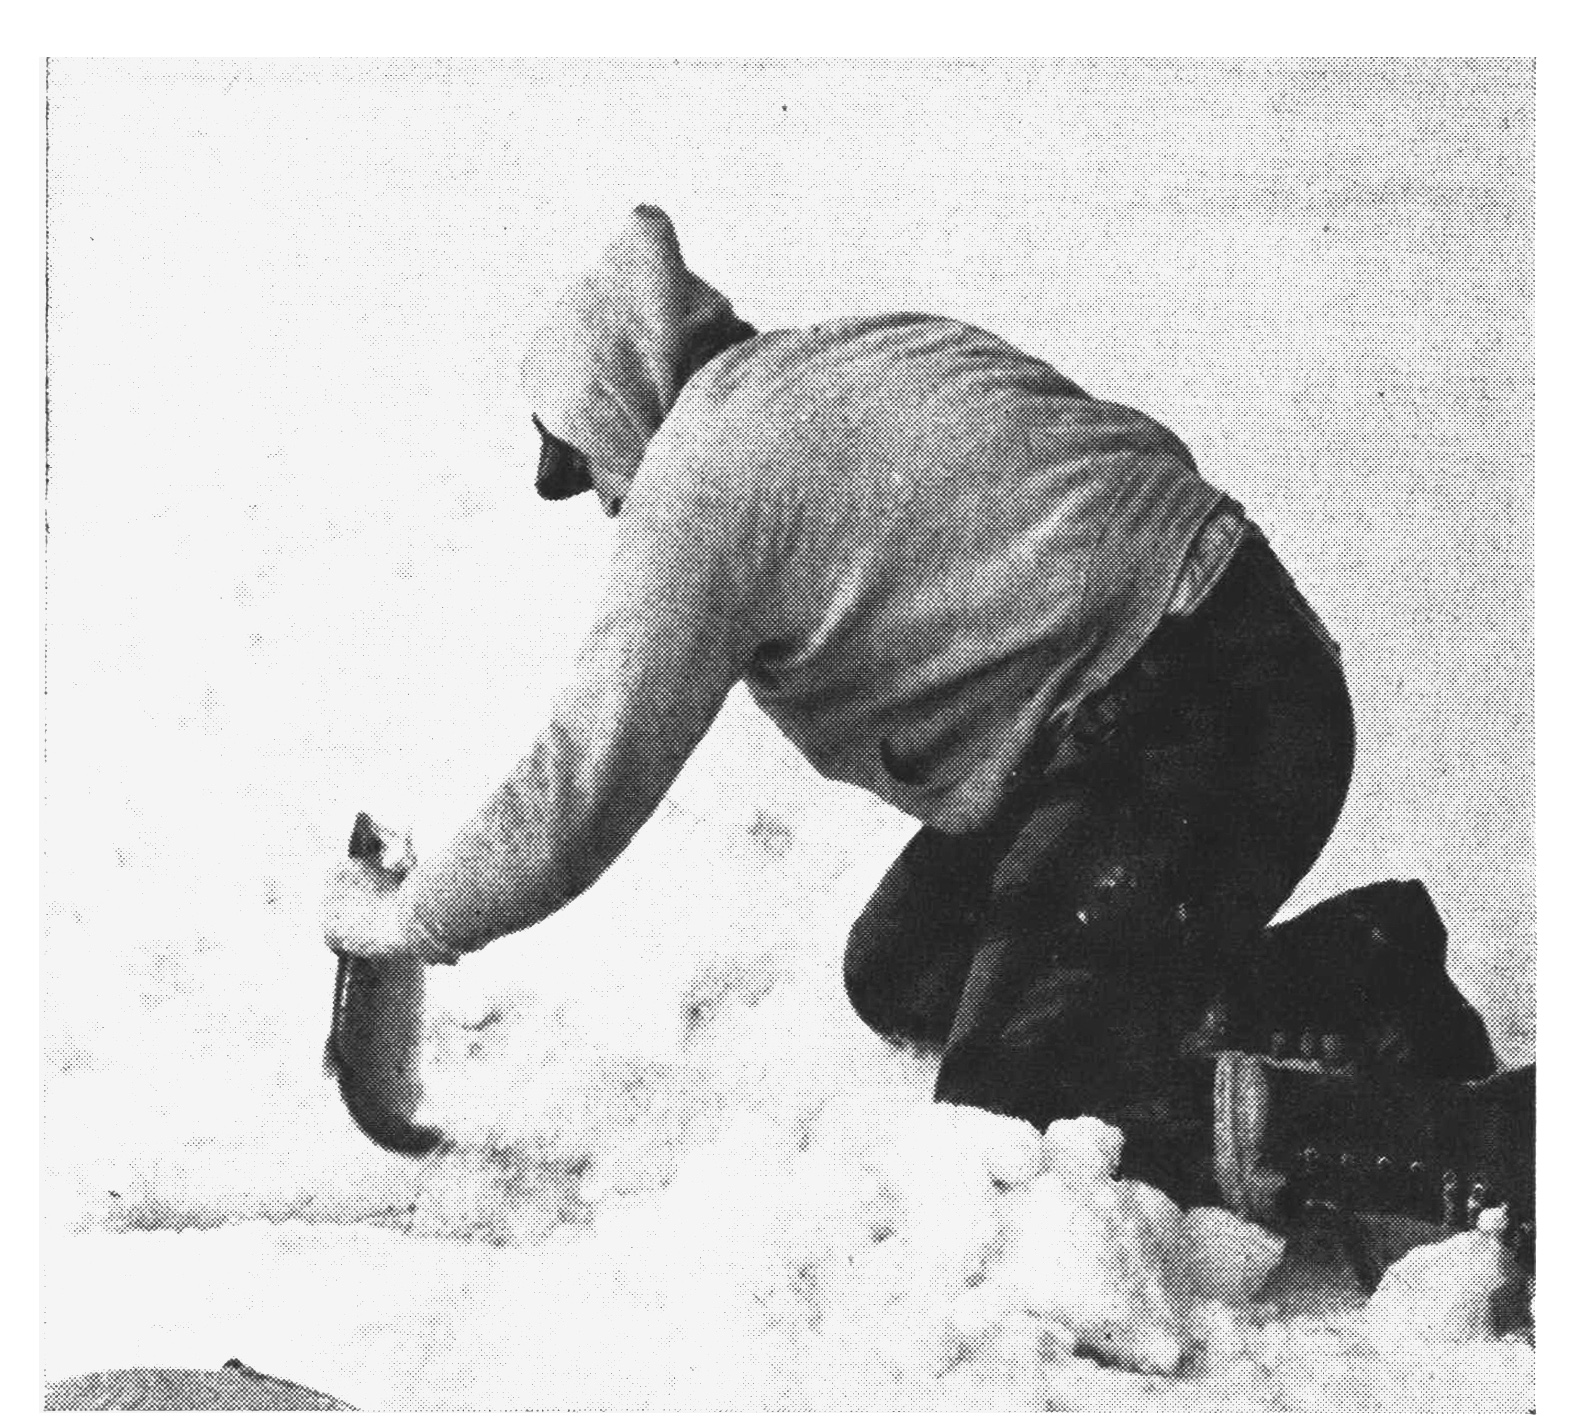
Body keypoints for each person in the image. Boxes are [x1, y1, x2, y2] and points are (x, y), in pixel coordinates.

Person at [324, 206, 1532, 1264]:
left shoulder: (704, 479)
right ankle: (1364, 969)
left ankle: (1494, 1151)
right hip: (1241, 668)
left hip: (1190, 720)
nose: (602, 503)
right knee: (909, 968)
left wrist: (409, 919)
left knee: (1026, 1104)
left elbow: (578, 790)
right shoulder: (855, 354)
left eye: (586, 466)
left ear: (616, 410)